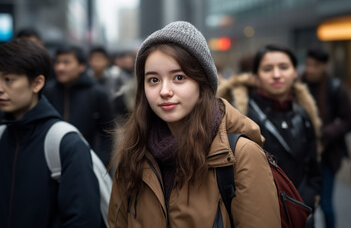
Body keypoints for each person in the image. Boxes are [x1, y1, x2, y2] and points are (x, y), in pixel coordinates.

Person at [108, 21, 281, 227]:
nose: (164, 91)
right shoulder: (134, 151)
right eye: (153, 80)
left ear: (202, 83)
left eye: (179, 77)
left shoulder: (241, 155)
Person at [0, 39, 102, 227]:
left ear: (37, 83)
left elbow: (84, 219)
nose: (1, 88)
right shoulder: (3, 135)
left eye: (9, 80)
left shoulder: (66, 144)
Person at [218, 44, 322, 222]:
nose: (276, 74)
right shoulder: (241, 117)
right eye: (268, 69)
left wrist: (308, 201)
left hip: (300, 213)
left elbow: (313, 167)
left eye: (284, 67)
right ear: (256, 77)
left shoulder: (304, 115)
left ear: (295, 73)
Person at [302, 46, 351, 228]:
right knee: (306, 205)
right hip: (303, 155)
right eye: (308, 64)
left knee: (325, 204)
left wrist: (325, 133)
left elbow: (350, 121)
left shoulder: (334, 88)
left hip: (327, 155)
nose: (310, 69)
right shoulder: (299, 86)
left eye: (315, 65)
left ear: (324, 66)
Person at [44, 45, 114, 167]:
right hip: (52, 161)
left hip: (87, 162)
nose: (60, 67)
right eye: (58, 62)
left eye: (66, 62)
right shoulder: (48, 91)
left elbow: (107, 133)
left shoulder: (97, 93)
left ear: (81, 66)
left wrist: (101, 162)